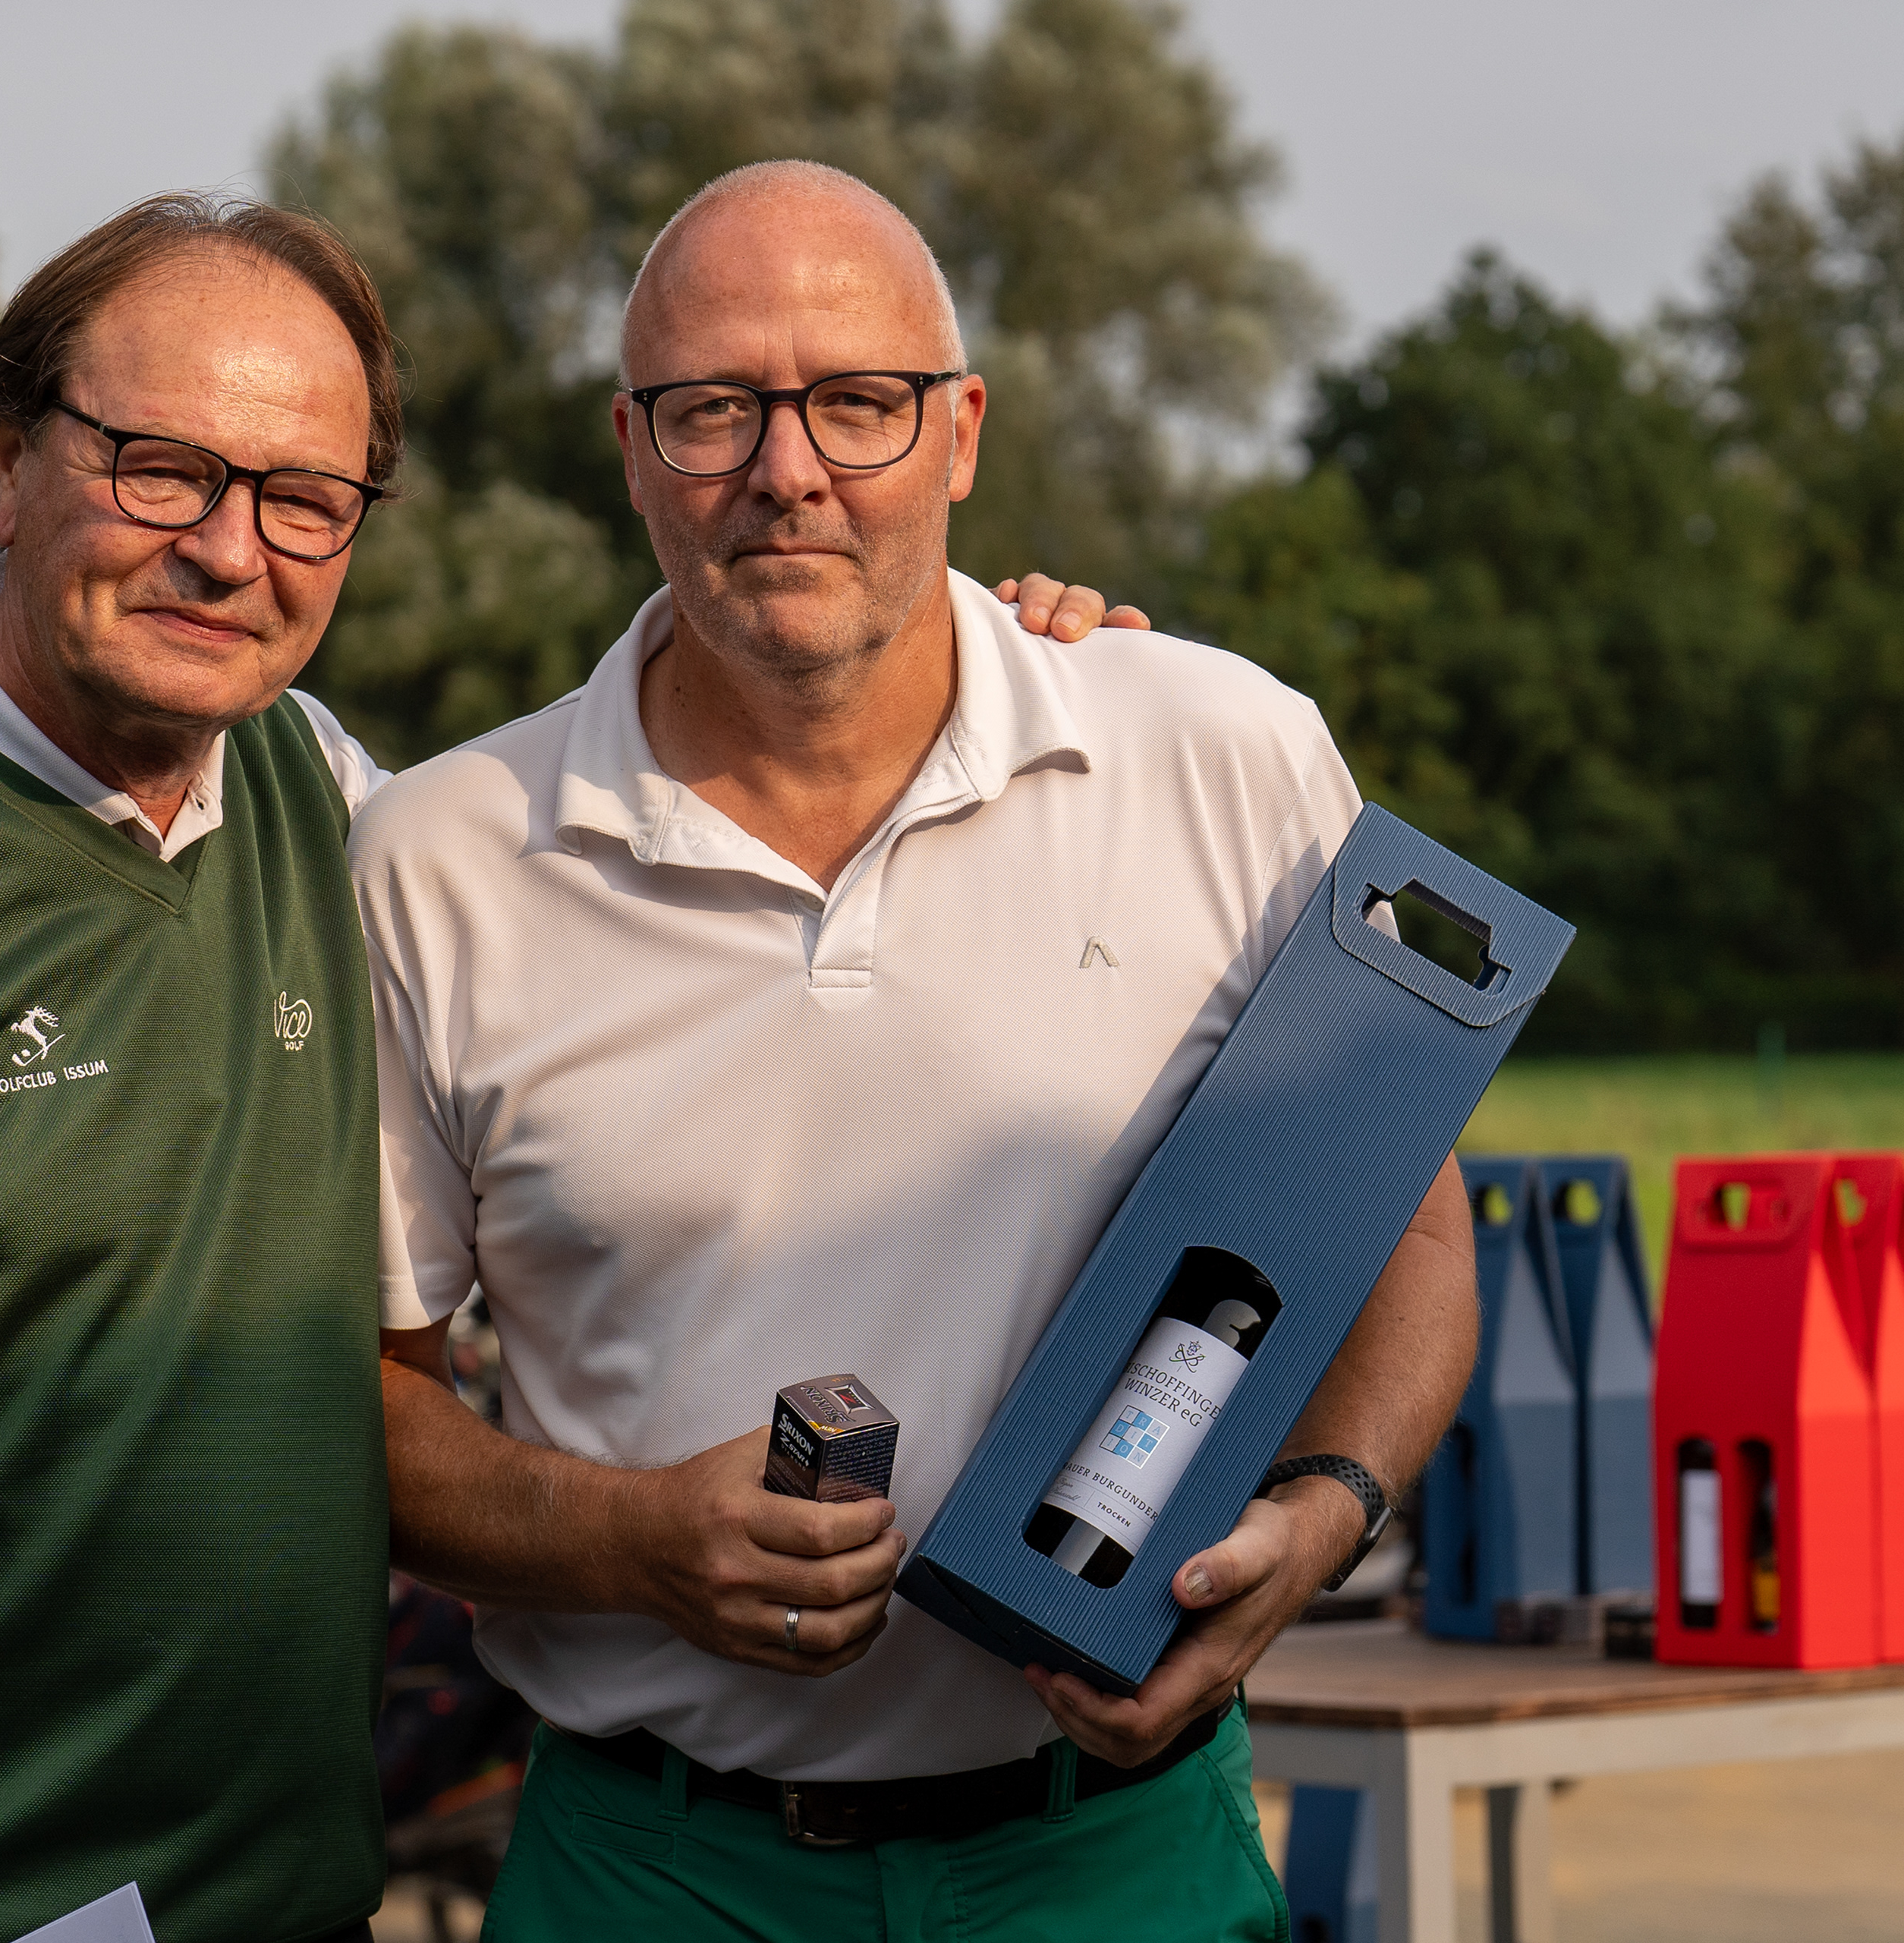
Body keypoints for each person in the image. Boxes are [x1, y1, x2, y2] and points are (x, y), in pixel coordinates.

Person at [0, 189, 1132, 1943]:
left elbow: (693, 813)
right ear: (10, 458)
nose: (227, 549)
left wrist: (1005, 662)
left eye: (303, 499)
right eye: (162, 469)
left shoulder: (324, 795)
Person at [353, 160, 1481, 1938]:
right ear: (632, 448)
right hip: (658, 1869)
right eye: (713, 408)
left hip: (1115, 1857)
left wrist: (1325, 1511)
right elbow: (363, 1403)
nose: (786, 468)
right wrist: (628, 1537)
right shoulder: (440, 855)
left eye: (858, 402)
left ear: (960, 433)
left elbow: (1408, 1226)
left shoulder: (1222, 751)